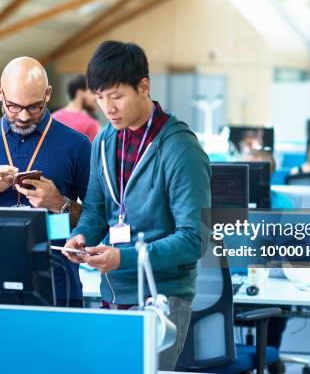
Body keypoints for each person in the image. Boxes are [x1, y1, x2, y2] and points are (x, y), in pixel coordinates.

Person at [62, 41, 211, 370]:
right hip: (114, 291)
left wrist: (122, 257)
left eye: (116, 96)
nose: (107, 108)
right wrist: (82, 236)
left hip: (163, 295)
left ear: (144, 87)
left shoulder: (179, 148)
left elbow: (195, 238)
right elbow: (96, 212)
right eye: (100, 98)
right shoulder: (103, 141)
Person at [0, 56, 91, 307]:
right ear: (0, 94)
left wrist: (60, 203)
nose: (23, 116)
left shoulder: (77, 145)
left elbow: (101, 217)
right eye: (13, 106)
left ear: (48, 94)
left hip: (58, 286)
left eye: (34, 107)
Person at [240, 148, 291, 374]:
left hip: (272, 279)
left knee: (277, 308)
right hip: (236, 279)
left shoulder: (284, 204)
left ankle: (270, 355)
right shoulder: (228, 202)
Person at [52, 75, 100, 142]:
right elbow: (94, 151)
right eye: (92, 92)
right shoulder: (90, 124)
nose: (95, 98)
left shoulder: (53, 118)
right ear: (80, 93)